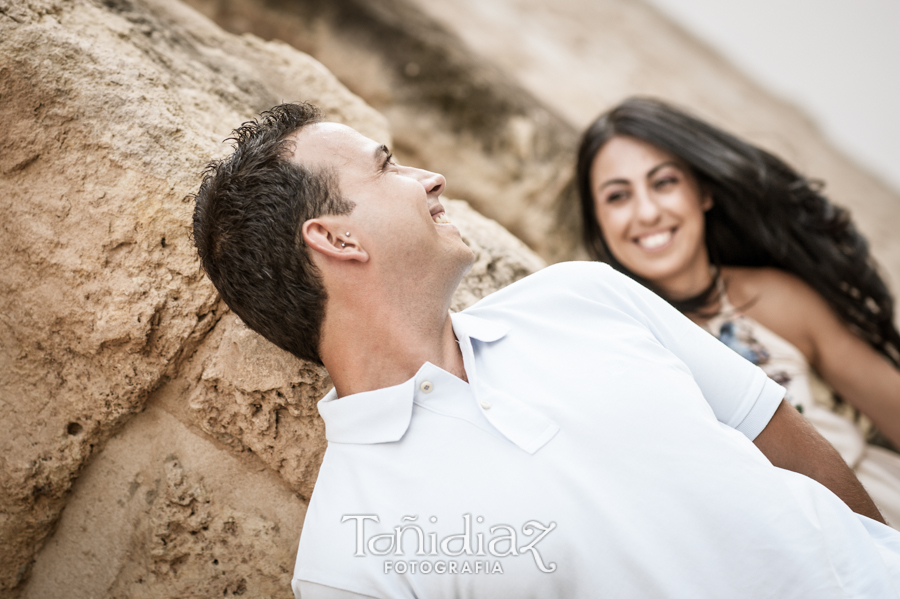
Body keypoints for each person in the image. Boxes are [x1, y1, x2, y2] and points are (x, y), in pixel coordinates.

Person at [193, 102, 900, 599]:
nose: (428, 178)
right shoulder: (351, 559)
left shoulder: (585, 295)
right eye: (388, 169)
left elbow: (788, 442)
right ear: (337, 239)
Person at [576, 96, 900, 528]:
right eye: (618, 196)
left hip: (880, 509)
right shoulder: (614, 336)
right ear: (598, 220)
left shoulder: (775, 298)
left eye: (664, 182)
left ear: (703, 191)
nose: (648, 212)